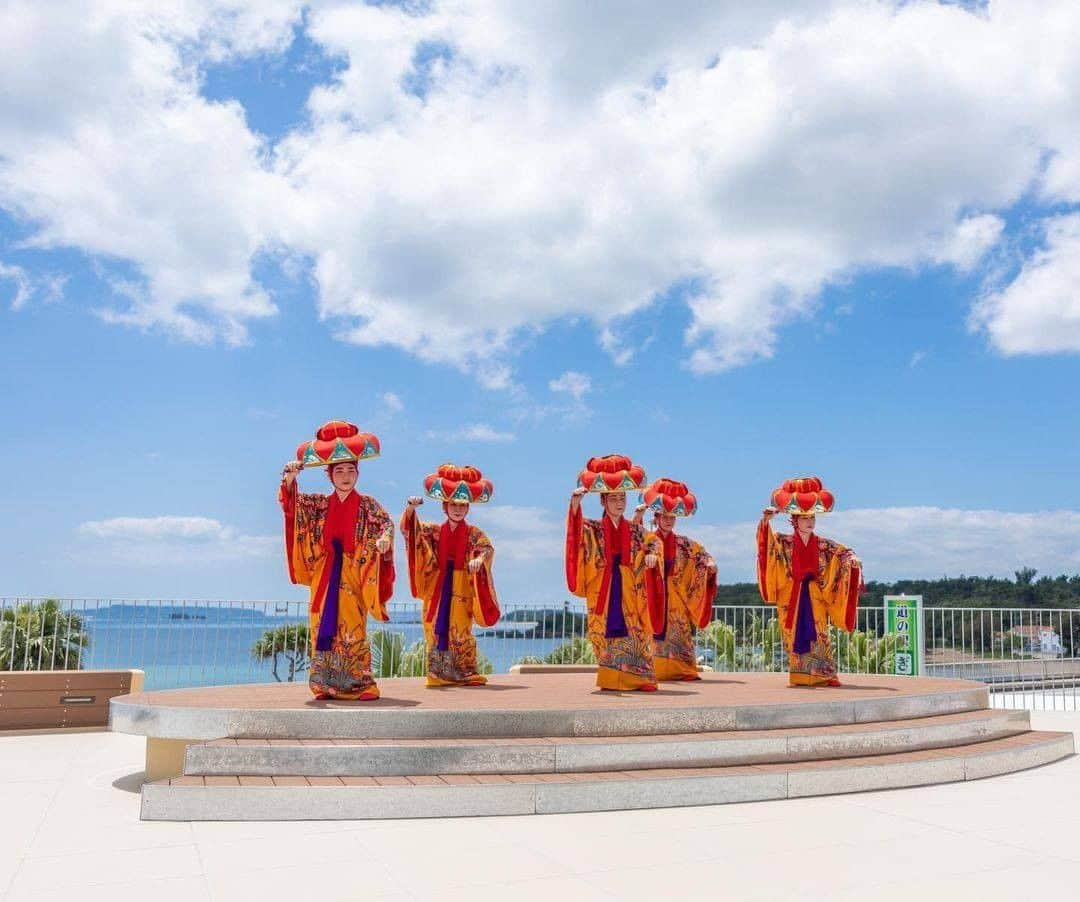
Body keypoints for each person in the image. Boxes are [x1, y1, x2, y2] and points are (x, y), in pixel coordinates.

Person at [279, 420, 394, 700]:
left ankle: (360, 684)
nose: (345, 476)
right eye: (339, 471)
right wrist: (290, 479)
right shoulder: (318, 504)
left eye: (350, 470)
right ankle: (324, 685)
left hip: (355, 574)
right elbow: (293, 507)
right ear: (330, 475)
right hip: (325, 576)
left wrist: (384, 542)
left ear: (358, 473)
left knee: (354, 628)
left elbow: (385, 525)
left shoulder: (368, 504)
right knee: (321, 628)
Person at [565, 454, 662, 691]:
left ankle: (639, 678)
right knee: (604, 632)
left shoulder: (635, 530)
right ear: (603, 502)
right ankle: (611, 678)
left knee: (636, 632)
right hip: (604, 587)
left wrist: (651, 554)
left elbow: (652, 541)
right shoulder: (593, 528)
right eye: (614, 498)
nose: (619, 503)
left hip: (630, 588)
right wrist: (575, 505)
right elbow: (575, 535)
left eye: (622, 498)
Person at [400, 464, 500, 687]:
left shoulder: (474, 533)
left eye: (463, 505)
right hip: (438, 586)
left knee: (462, 630)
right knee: (434, 628)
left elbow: (487, 548)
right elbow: (411, 532)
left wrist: (479, 560)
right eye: (454, 504)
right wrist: (410, 510)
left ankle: (464, 672)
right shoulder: (434, 531)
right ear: (445, 506)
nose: (458, 509)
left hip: (463, 587)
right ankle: (437, 673)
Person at [756, 476, 862, 687]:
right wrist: (766, 521)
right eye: (805, 518)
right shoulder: (784, 542)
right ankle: (800, 675)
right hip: (791, 596)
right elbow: (765, 545)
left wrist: (852, 559)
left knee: (820, 633)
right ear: (794, 521)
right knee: (792, 636)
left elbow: (841, 553)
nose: (810, 521)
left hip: (815, 596)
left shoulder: (822, 544)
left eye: (812, 517)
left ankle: (824, 674)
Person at [633, 478, 717, 681]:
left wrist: (710, 565)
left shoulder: (684, 543)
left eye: (672, 517)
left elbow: (701, 555)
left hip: (676, 597)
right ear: (658, 517)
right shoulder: (649, 540)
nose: (669, 521)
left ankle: (682, 670)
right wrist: (638, 516)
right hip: (654, 592)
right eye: (665, 517)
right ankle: (651, 668)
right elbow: (634, 542)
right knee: (651, 632)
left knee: (679, 633)